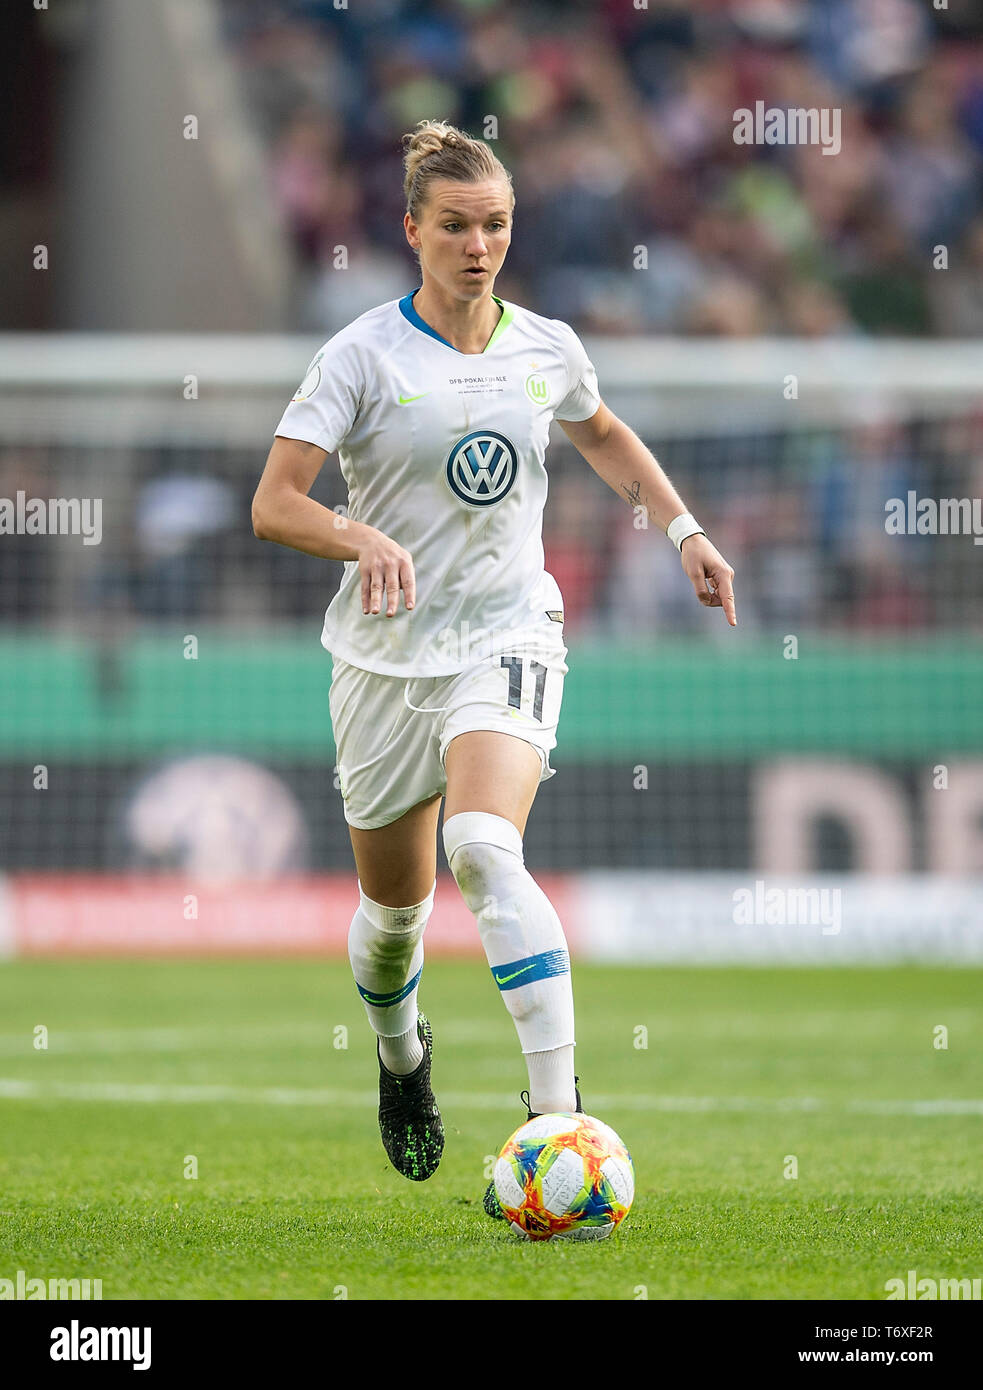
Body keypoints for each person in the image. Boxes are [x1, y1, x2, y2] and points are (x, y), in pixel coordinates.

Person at [252, 119, 737, 1215]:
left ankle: (556, 1116)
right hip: (380, 661)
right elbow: (274, 502)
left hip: (509, 634)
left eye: (497, 225)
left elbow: (601, 431)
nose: (479, 246)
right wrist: (358, 535)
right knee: (391, 919)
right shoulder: (361, 355)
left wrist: (682, 531)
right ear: (412, 228)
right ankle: (400, 1059)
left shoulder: (544, 347)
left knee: (481, 843)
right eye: (457, 226)